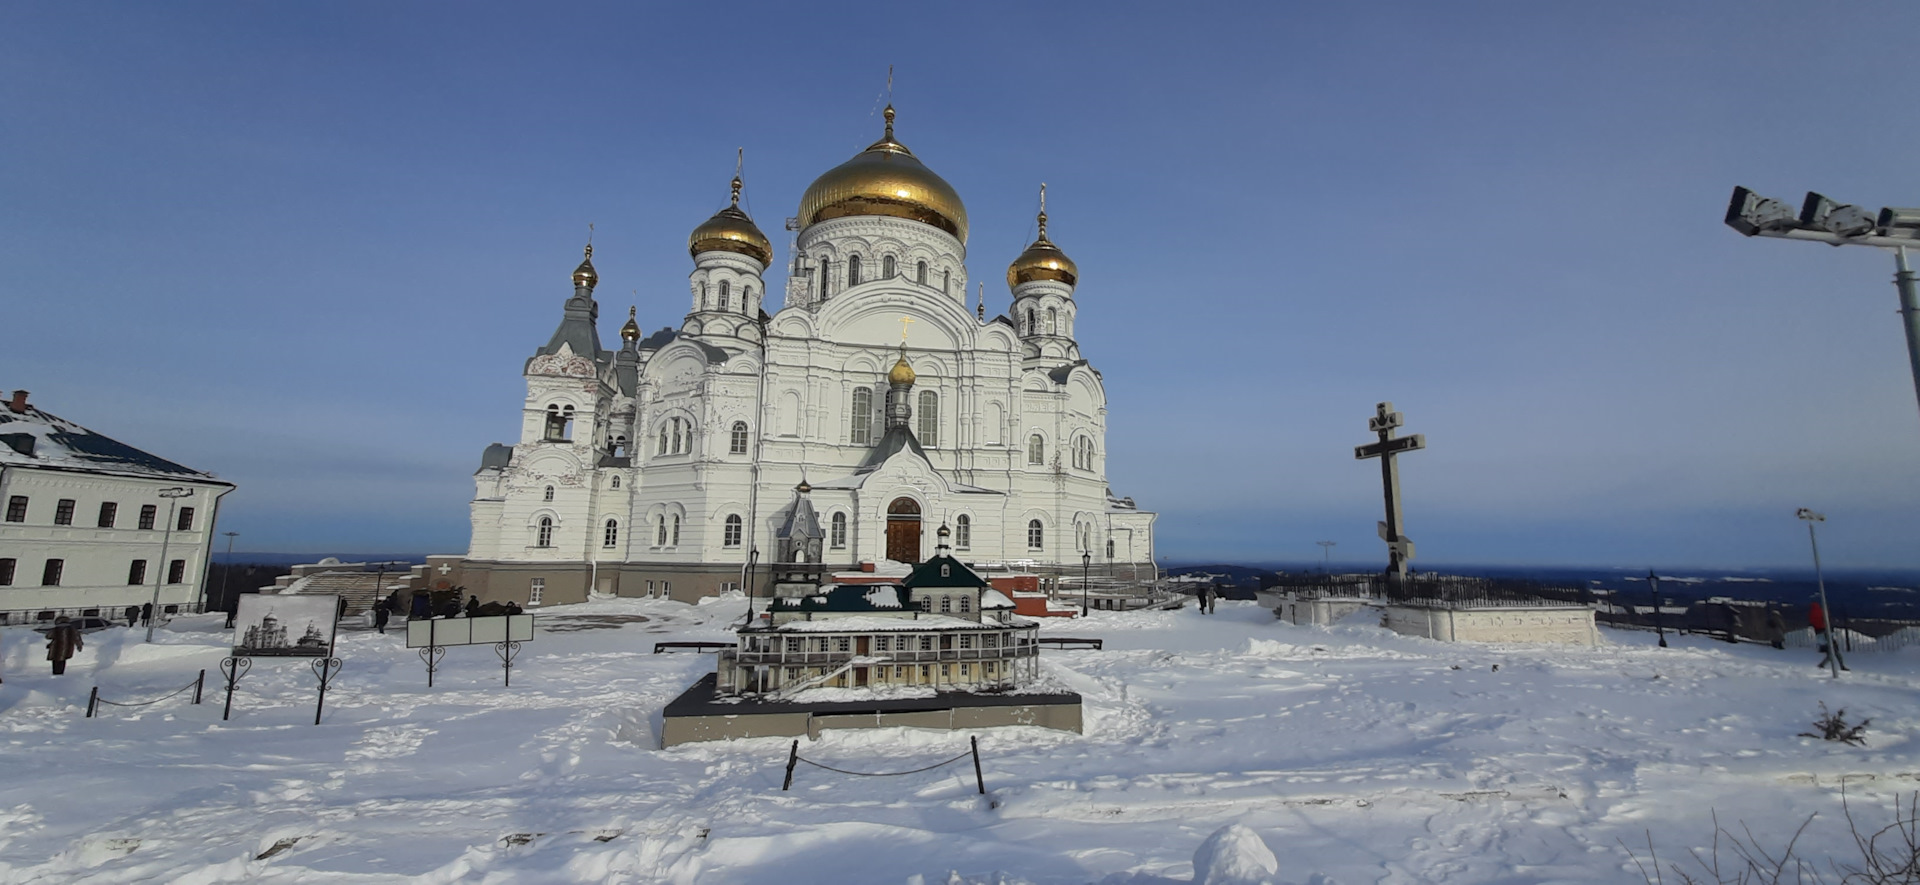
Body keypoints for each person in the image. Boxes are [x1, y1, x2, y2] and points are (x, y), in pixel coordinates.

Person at [1810, 600, 1849, 672]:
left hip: (1819, 635)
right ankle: (1841, 666)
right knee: (1835, 651)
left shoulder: (1812, 614)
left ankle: (1823, 664)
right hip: (1826, 633)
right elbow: (1825, 620)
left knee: (1831, 652)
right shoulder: (1821, 612)